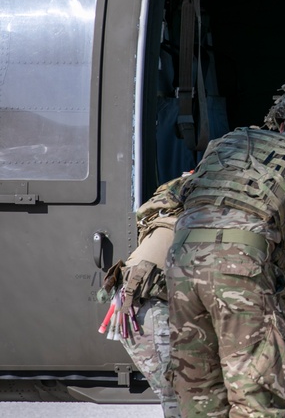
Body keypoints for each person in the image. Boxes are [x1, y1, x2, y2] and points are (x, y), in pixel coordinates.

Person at [165, 76, 285, 418]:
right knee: (257, 400)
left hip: (181, 266)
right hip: (239, 270)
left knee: (199, 400)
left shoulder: (227, 144)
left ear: (282, 120)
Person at [100, 174, 188, 418]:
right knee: (180, 397)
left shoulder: (175, 198)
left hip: (140, 298)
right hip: (146, 305)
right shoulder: (210, 209)